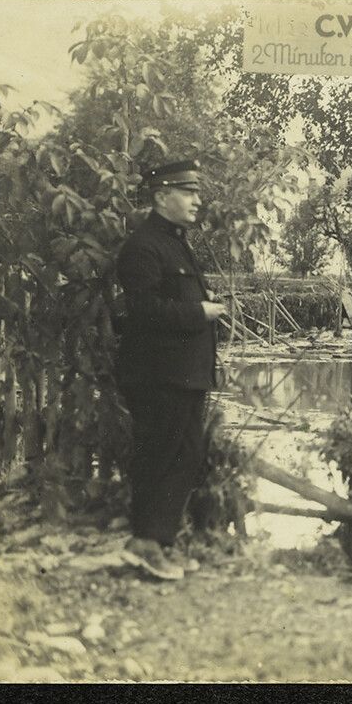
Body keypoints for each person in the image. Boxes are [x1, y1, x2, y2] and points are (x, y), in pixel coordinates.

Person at [115, 159, 227, 580]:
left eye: (196, 191)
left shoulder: (174, 243)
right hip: (157, 375)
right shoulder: (142, 246)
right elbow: (143, 311)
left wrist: (198, 300)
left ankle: (158, 542)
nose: (197, 200)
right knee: (160, 457)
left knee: (185, 455)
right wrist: (198, 311)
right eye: (188, 191)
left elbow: (169, 297)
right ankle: (145, 542)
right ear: (162, 197)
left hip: (180, 374)